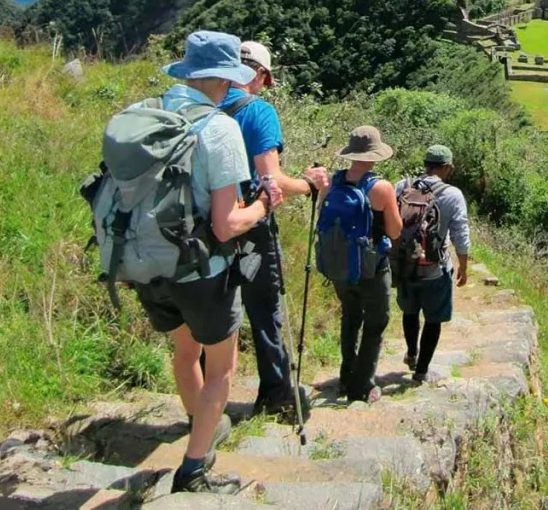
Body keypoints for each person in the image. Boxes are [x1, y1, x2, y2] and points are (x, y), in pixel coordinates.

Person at [137, 31, 284, 494]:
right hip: (200, 271)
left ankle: (200, 423)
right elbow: (226, 225)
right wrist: (263, 205)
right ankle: (194, 469)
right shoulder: (219, 129)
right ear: (226, 78)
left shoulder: (149, 112)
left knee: (185, 352)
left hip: (146, 262)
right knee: (221, 367)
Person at [218, 40, 330, 418]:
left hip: (204, 225)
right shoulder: (258, 111)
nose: (265, 88)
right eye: (266, 80)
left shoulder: (200, 105)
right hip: (250, 224)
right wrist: (310, 185)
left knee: (213, 314)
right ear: (260, 75)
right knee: (265, 310)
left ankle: (204, 402)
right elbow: (272, 180)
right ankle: (276, 394)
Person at [318, 126, 403, 404]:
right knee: (377, 321)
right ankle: (363, 386)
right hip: (372, 266)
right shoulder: (381, 188)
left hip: (339, 265)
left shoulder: (331, 183)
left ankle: (346, 376)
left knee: (350, 315)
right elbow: (395, 232)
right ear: (375, 155)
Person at [395, 145, 470, 385]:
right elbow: (460, 233)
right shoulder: (452, 194)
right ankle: (421, 372)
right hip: (435, 269)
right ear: (446, 167)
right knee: (433, 319)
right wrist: (463, 266)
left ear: (426, 164)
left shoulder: (403, 186)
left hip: (405, 264)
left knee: (409, 312)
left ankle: (411, 353)